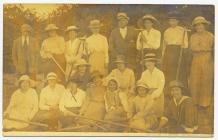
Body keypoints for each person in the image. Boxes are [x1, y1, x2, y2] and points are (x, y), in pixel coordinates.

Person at [189, 16, 214, 109]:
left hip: (207, 59)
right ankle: (195, 101)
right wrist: (202, 49)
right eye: (197, 26)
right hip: (196, 59)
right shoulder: (193, 36)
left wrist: (203, 49)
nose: (199, 27)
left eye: (200, 25)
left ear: (204, 26)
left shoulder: (211, 36)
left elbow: (210, 48)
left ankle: (205, 103)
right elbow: (193, 48)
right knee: (195, 80)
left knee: (206, 80)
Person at [162, 13, 189, 86]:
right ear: (169, 22)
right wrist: (163, 55)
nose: (172, 22)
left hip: (178, 51)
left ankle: (180, 88)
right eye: (170, 21)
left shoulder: (182, 30)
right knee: (169, 70)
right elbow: (164, 44)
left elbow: (186, 44)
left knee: (179, 69)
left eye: (174, 21)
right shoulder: (166, 31)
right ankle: (168, 89)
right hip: (169, 52)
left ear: (177, 21)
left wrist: (183, 46)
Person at [139, 53, 165, 118]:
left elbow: (161, 87)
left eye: (150, 61)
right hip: (146, 94)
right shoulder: (144, 73)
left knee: (154, 114)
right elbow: (142, 84)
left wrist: (152, 96)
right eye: (146, 62)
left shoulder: (160, 73)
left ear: (154, 63)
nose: (148, 64)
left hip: (157, 95)